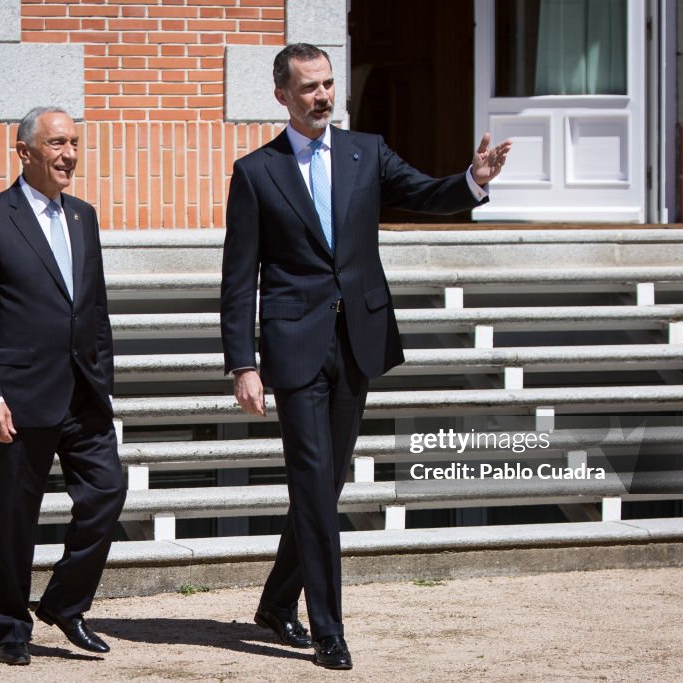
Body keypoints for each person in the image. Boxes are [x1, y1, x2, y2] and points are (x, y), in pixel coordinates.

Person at [219, 43, 511, 670]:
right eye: (308, 88)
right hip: (293, 350)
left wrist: (472, 181)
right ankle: (328, 629)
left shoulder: (365, 151)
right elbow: (239, 277)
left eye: (328, 85)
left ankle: (274, 604)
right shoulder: (256, 173)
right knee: (314, 485)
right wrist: (243, 363)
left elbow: (425, 194)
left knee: (326, 483)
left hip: (357, 344)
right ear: (281, 97)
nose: (323, 96)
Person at [0, 106, 126, 666]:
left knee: (106, 493)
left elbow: (94, 307)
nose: (68, 154)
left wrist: (104, 376)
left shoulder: (83, 216)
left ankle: (65, 603)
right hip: (18, 398)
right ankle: (10, 626)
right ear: (24, 151)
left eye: (73, 143)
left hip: (83, 393)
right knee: (16, 519)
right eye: (56, 144)